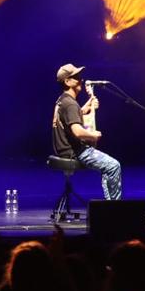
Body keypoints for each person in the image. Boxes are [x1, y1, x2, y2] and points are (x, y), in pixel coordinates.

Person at [52, 63, 121, 201]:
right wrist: (94, 135)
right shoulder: (71, 104)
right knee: (113, 166)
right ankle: (115, 208)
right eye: (76, 77)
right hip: (75, 152)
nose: (81, 79)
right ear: (67, 81)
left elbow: (74, 116)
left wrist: (88, 105)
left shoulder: (63, 100)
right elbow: (77, 131)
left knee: (111, 165)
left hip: (63, 149)